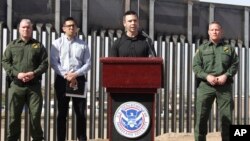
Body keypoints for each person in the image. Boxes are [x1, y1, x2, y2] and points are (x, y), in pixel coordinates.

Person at [2, 19, 48, 141]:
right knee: (13, 117)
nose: (26, 29)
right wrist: (17, 74)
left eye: (28, 27)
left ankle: (38, 139)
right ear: (19, 29)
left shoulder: (38, 45)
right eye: (23, 27)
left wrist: (34, 73)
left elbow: (45, 63)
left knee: (35, 116)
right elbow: (5, 62)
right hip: (16, 86)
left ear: (32, 29)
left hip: (34, 87)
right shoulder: (12, 45)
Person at [193, 21, 239, 141]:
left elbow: (235, 64)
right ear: (208, 32)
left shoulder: (229, 49)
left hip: (225, 87)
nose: (214, 32)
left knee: (227, 118)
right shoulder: (202, 49)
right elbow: (196, 67)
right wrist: (207, 76)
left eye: (217, 29)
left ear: (221, 31)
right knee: (201, 118)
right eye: (212, 30)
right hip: (205, 87)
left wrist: (226, 75)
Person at [51, 17, 91, 141]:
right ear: (63, 28)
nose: (71, 28)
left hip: (78, 80)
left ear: (77, 28)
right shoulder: (56, 43)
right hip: (62, 80)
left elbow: (88, 64)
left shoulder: (83, 44)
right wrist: (66, 75)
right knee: (62, 113)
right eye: (68, 26)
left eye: (73, 25)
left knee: (80, 113)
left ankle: (82, 138)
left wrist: (75, 74)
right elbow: (54, 62)